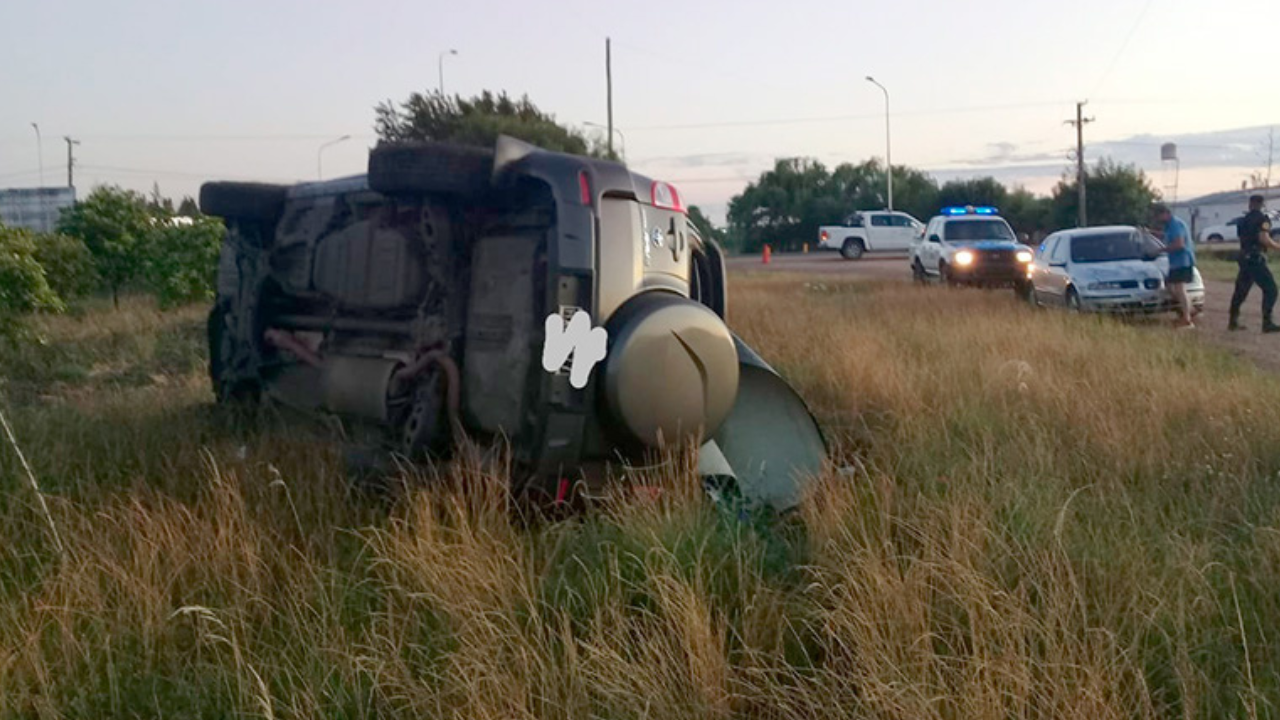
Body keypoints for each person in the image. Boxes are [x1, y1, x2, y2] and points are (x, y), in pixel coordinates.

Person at [1228, 194, 1280, 333]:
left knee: (1241, 290)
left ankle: (1233, 321)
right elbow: (1263, 238)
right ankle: (1267, 322)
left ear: (1250, 204)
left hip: (1244, 257)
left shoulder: (1242, 220)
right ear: (1262, 204)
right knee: (1271, 290)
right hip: (1256, 258)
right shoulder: (1263, 219)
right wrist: (1277, 246)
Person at [1152, 203, 1196, 328]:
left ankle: (1187, 318)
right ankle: (1188, 310)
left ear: (1165, 213)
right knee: (1172, 288)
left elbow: (1179, 244)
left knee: (1179, 289)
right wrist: (1151, 232)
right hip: (1175, 262)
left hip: (1182, 261)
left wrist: (1160, 250)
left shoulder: (1176, 224)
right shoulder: (1169, 226)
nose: (1158, 219)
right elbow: (1165, 236)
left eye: (1159, 216)